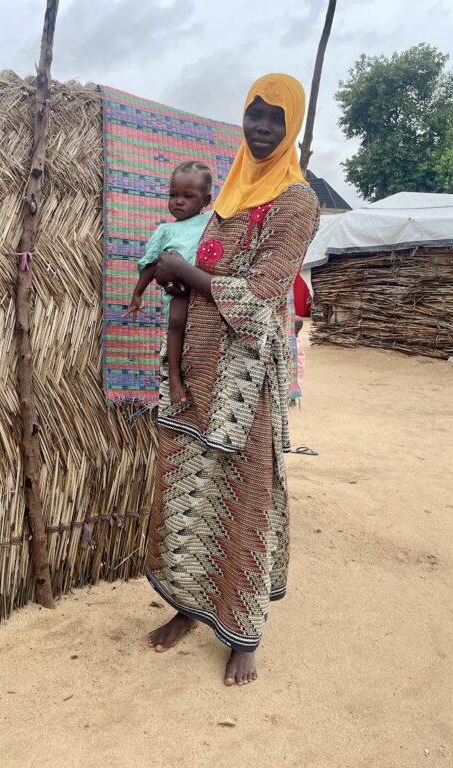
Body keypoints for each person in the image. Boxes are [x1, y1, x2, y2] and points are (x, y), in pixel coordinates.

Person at [144, 74, 321, 686]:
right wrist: (177, 277)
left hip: (246, 378)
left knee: (245, 497)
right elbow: (209, 262)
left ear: (291, 124)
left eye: (276, 117)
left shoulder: (297, 201)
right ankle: (188, 609)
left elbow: (265, 295)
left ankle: (244, 633)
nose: (263, 127)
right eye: (254, 114)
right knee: (188, 493)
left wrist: (188, 276)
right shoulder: (230, 192)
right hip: (197, 362)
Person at [127, 161, 214, 404]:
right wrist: (137, 294)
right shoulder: (165, 231)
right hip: (179, 291)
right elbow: (150, 265)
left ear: (205, 201)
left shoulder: (213, 223)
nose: (178, 201)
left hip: (206, 289)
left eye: (188, 196)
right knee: (176, 323)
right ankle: (174, 377)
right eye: (173, 195)